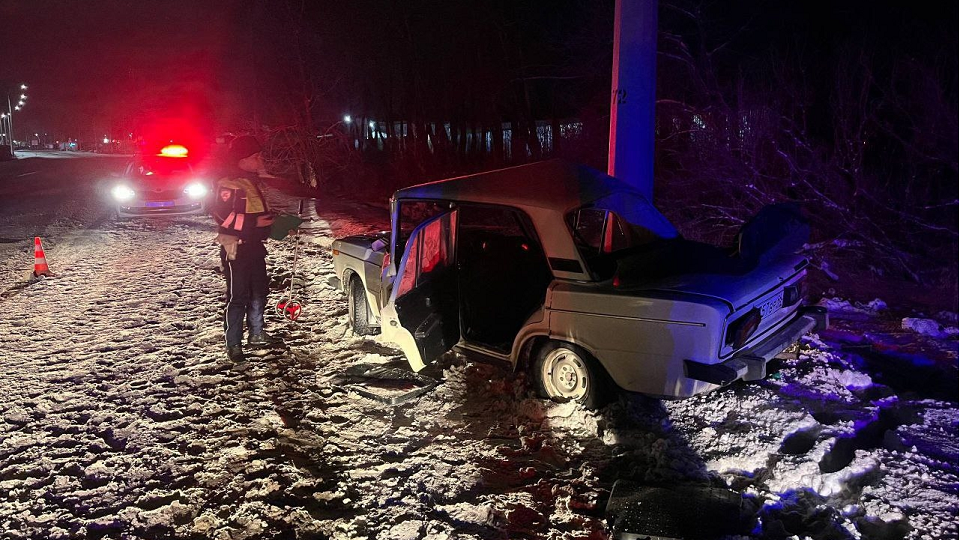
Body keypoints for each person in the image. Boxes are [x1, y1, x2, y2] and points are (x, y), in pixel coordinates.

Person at [212, 135, 276, 361]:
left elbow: (258, 213)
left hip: (255, 248)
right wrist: (254, 223)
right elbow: (222, 216)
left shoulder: (252, 181)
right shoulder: (228, 183)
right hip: (235, 248)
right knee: (237, 296)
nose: (260, 159)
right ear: (242, 159)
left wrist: (275, 225)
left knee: (259, 292)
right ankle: (234, 343)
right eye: (255, 156)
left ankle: (257, 334)